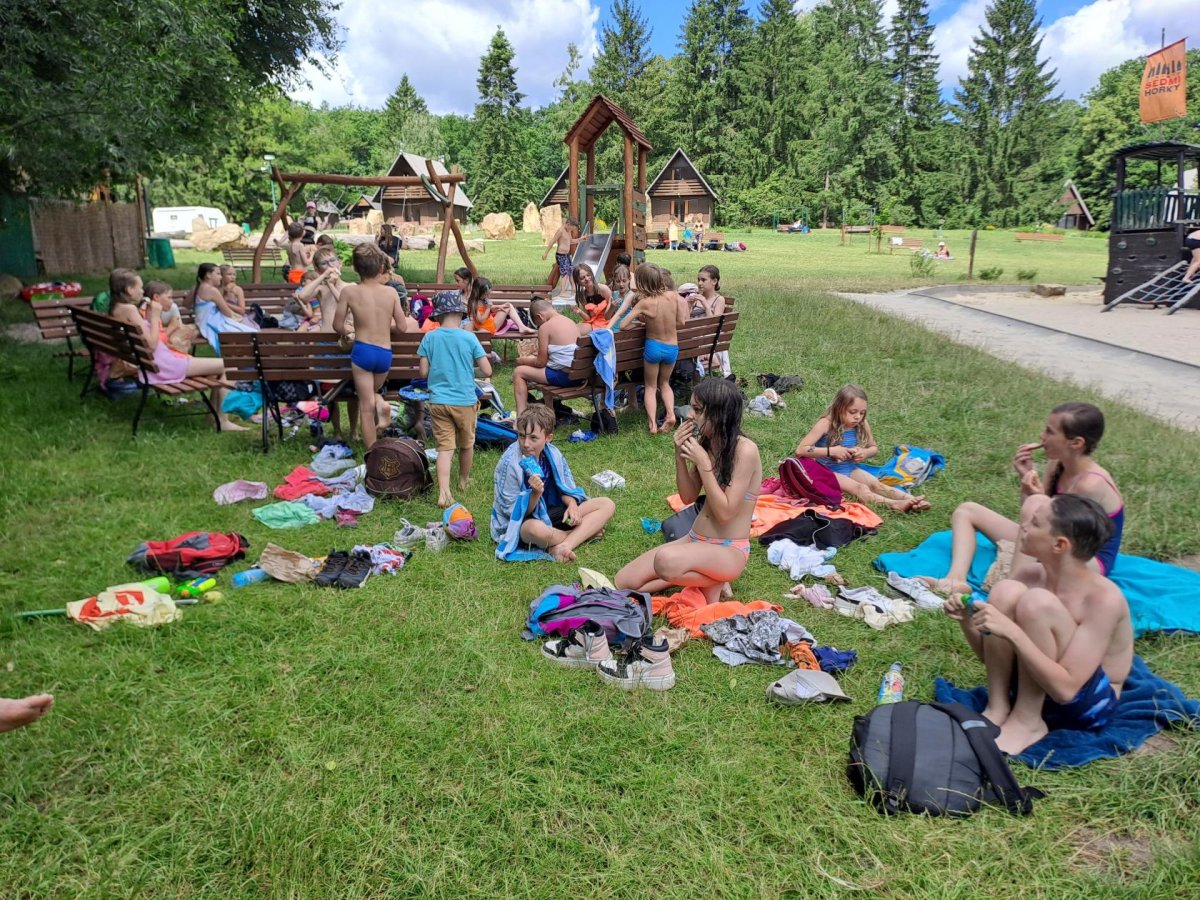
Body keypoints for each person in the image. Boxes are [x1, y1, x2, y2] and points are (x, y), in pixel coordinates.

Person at [946, 493, 1133, 754]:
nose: (1022, 526)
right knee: (1006, 590)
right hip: (1034, 682)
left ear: (1059, 545)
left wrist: (1013, 633)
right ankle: (998, 706)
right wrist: (967, 619)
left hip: (1086, 702)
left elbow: (1065, 691)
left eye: (1034, 523)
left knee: (1037, 602)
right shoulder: (1030, 575)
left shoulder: (1103, 600)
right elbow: (993, 657)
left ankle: (1027, 721)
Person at [917, 402, 1123, 597]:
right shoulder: (1056, 465)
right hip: (1050, 537)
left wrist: (1038, 499)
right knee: (966, 510)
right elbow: (1033, 518)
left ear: (1076, 443)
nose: (1042, 436)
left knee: (1037, 506)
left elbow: (1064, 537)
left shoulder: (1090, 485)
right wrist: (1026, 479)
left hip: (1082, 556)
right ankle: (955, 579)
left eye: (1050, 431)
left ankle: (1010, 590)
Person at [616, 377, 761, 603]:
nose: (690, 415)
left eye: (698, 410)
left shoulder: (745, 451)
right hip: (695, 539)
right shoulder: (708, 442)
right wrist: (679, 455)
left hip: (728, 550)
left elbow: (725, 514)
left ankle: (716, 578)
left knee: (665, 560)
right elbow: (688, 496)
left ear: (719, 414)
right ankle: (709, 578)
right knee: (623, 581)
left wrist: (704, 464)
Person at [107, 268, 246, 431]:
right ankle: (222, 421)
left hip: (155, 363)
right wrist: (155, 317)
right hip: (164, 365)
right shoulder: (130, 310)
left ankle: (213, 417)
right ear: (129, 290)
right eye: (140, 287)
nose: (142, 291)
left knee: (219, 369)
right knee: (231, 366)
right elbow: (151, 345)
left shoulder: (116, 308)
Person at [491, 405, 616, 562]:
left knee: (606, 504)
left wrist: (572, 505)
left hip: (555, 511)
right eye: (521, 436)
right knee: (534, 530)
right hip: (527, 521)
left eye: (533, 438)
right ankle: (583, 534)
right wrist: (535, 494)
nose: (526, 443)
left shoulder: (553, 453)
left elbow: (565, 488)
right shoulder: (509, 464)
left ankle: (563, 545)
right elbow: (513, 514)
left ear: (548, 438)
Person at [795, 384, 930, 512]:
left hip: (849, 468)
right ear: (839, 408)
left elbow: (873, 447)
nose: (858, 417)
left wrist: (864, 453)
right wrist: (831, 451)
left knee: (876, 484)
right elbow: (801, 450)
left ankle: (911, 500)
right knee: (860, 488)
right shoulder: (826, 424)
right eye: (853, 412)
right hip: (827, 472)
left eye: (862, 413)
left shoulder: (861, 423)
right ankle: (894, 504)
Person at [418, 291, 492, 507]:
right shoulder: (469, 337)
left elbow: (423, 372)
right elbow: (487, 370)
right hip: (465, 401)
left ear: (438, 316)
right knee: (467, 444)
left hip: (438, 401)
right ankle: (463, 481)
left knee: (444, 448)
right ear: (460, 314)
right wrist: (470, 370)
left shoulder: (429, 337)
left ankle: (444, 493)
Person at [333, 244, 407, 449]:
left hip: (362, 351)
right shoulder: (391, 293)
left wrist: (349, 331)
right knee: (372, 393)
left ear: (355, 268)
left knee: (365, 406)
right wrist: (384, 325)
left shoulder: (349, 292)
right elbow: (402, 327)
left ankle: (371, 452)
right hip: (384, 354)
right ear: (381, 268)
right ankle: (381, 404)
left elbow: (337, 325)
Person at [626, 262, 686, 434]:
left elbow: (623, 325)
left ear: (641, 282)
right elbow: (681, 322)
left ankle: (652, 424)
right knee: (665, 384)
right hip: (672, 348)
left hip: (653, 348)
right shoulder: (673, 296)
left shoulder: (644, 303)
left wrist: (642, 322)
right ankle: (670, 414)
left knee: (651, 387)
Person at [511, 297, 585, 415]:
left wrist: (523, 360)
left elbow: (541, 363)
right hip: (580, 376)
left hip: (565, 377)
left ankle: (521, 416)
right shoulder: (570, 322)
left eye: (538, 324)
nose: (539, 326)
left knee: (519, 372)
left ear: (539, 316)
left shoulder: (545, 327)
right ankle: (550, 413)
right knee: (545, 370)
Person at [189, 262, 257, 355]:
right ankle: (240, 358)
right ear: (208, 275)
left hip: (201, 322)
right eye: (218, 274)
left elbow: (186, 304)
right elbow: (227, 312)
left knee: (240, 331)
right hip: (209, 324)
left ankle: (237, 357)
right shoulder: (212, 290)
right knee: (246, 332)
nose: (220, 277)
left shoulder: (196, 288)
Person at [691, 264, 731, 378]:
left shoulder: (719, 300)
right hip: (694, 336)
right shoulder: (696, 299)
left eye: (703, 280)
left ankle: (712, 362)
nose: (700, 283)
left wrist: (706, 305)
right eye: (698, 280)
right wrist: (688, 305)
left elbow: (715, 324)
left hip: (710, 337)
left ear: (714, 281)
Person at [296, 247, 344, 330]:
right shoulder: (321, 289)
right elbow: (302, 296)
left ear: (339, 263)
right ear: (317, 270)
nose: (330, 265)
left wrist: (331, 285)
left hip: (345, 336)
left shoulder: (350, 286)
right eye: (324, 263)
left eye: (332, 260)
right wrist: (323, 276)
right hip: (326, 335)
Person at [145, 280, 199, 353]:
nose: (172, 301)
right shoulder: (151, 316)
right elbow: (156, 341)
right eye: (169, 298)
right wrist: (172, 327)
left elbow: (178, 325)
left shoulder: (157, 313)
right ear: (156, 297)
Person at [466, 275, 531, 335]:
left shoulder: (483, 300)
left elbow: (488, 309)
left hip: (491, 323)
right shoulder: (474, 304)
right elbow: (481, 320)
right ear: (478, 293)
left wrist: (498, 307)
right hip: (485, 328)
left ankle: (522, 327)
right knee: (481, 334)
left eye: (489, 294)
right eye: (486, 294)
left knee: (508, 306)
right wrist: (488, 308)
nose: (488, 296)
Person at [542, 216, 580, 299]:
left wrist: (581, 239)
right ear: (568, 224)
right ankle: (562, 292)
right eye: (572, 228)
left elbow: (571, 241)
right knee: (565, 273)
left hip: (566, 255)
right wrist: (546, 253)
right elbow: (552, 241)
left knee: (570, 271)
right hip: (561, 255)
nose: (572, 230)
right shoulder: (561, 231)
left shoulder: (568, 231)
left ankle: (574, 289)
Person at [573, 263, 613, 328]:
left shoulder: (603, 289)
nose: (586, 278)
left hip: (607, 322)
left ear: (591, 274)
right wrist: (580, 312)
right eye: (582, 278)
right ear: (578, 282)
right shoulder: (583, 296)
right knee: (574, 328)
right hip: (593, 322)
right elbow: (589, 318)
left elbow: (613, 311)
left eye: (588, 275)